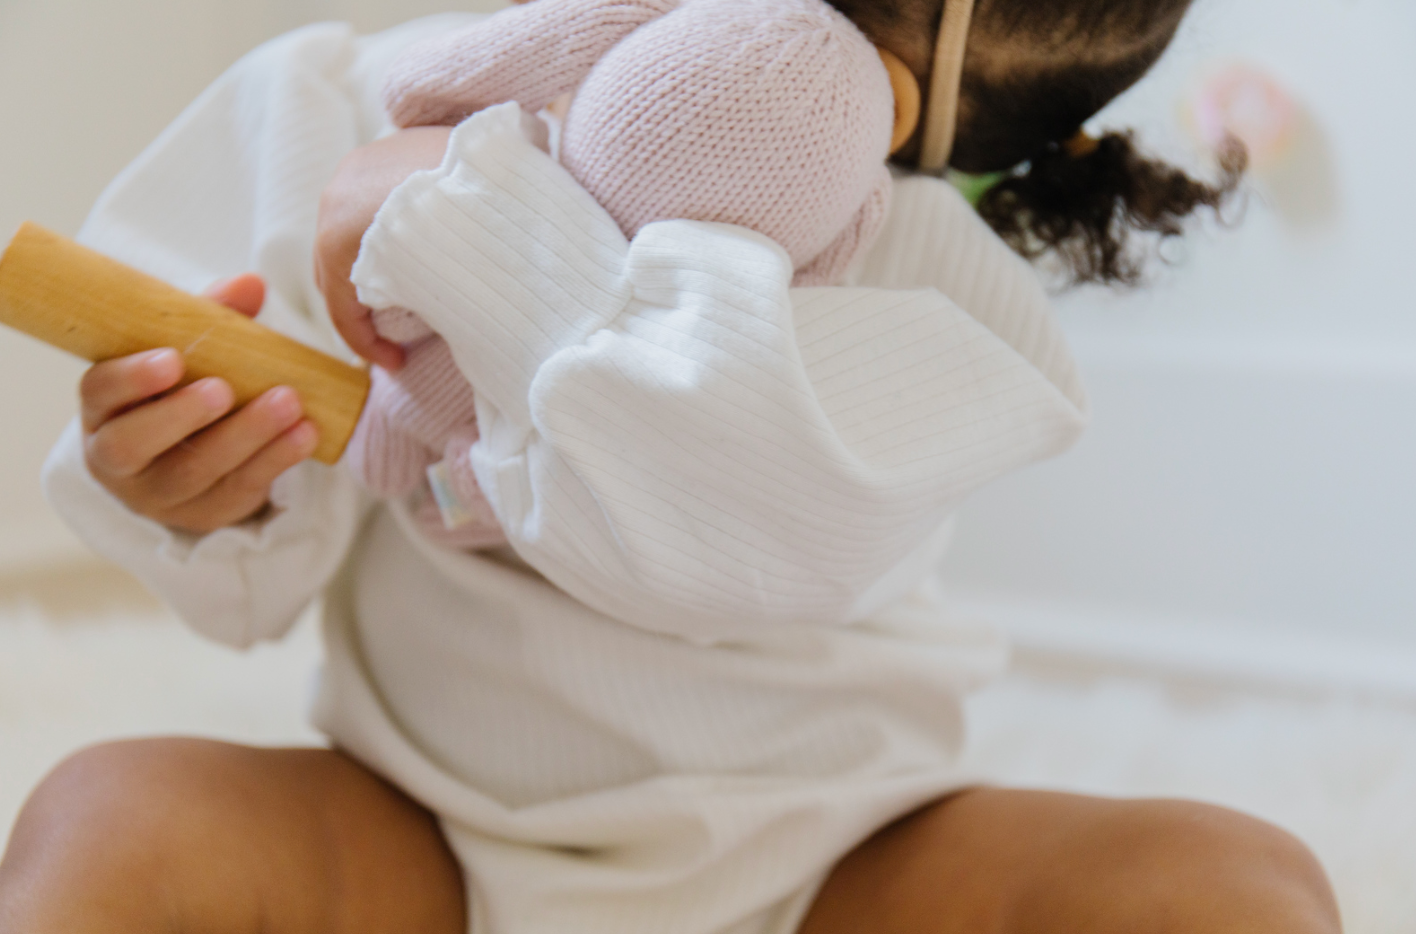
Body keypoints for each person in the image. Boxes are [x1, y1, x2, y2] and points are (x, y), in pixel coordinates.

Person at [0, 2, 1339, 934]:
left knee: (1227, 879)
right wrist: (192, 486)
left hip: (836, 852)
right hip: (426, 833)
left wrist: (466, 221)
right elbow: (254, 554)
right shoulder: (333, 105)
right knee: (113, 813)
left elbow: (704, 508)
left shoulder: (940, 277)